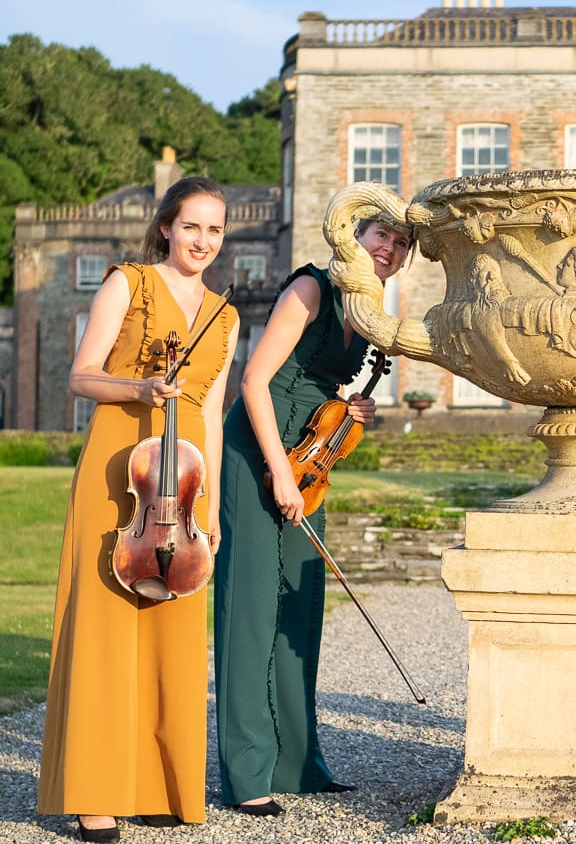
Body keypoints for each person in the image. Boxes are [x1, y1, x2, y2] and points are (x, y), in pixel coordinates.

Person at [38, 177, 240, 842]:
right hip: (118, 470)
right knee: (104, 634)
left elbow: (209, 407)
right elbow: (80, 375)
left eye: (214, 230)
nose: (203, 241)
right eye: (192, 227)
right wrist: (141, 387)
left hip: (179, 487)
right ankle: (94, 792)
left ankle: (159, 784)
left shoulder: (226, 315)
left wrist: (203, 508)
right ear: (166, 227)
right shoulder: (128, 283)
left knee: (170, 633)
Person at [213, 190, 413, 817]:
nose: (391, 250)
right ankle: (247, 773)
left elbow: (325, 385)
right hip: (259, 451)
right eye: (383, 235)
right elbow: (253, 382)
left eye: (402, 245)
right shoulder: (310, 288)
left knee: (299, 607)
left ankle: (299, 762)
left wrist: (353, 410)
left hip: (310, 460)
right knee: (250, 608)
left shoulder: (367, 306)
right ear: (356, 234)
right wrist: (276, 472)